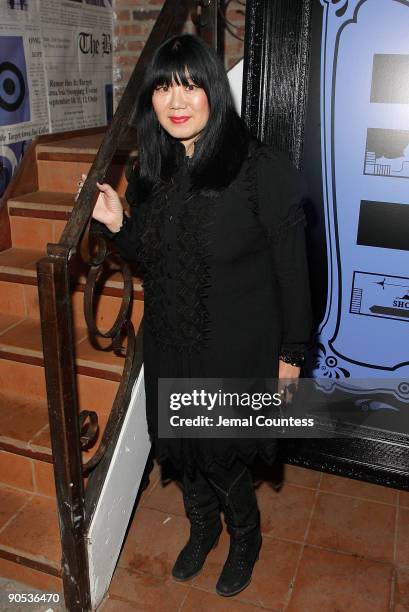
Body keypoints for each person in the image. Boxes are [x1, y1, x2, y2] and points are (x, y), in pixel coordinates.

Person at [78, 33, 312, 597]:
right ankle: (203, 526)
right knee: (181, 449)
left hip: (235, 346)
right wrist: (116, 223)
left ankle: (245, 534)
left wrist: (292, 357)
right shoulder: (153, 172)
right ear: (151, 100)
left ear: (213, 91)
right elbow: (150, 255)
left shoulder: (260, 168)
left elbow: (293, 274)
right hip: (171, 340)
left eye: (189, 84)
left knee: (220, 453)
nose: (176, 100)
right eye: (163, 86)